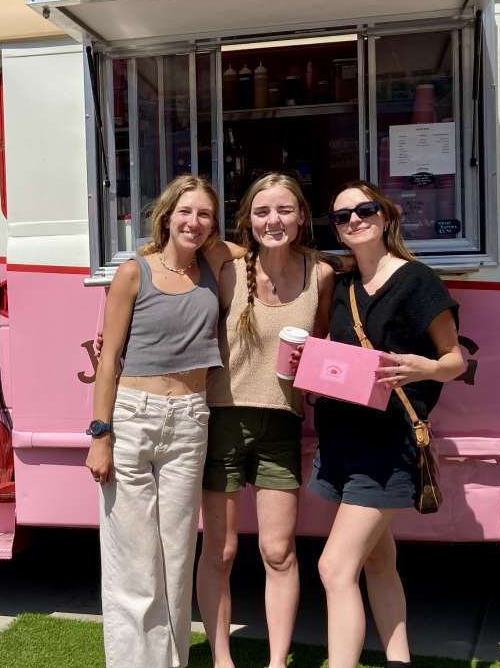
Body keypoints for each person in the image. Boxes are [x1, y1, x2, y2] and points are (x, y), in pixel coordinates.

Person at [311, 180, 465, 668]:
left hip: (389, 445)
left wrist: (426, 367)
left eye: (364, 209)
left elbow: (455, 358)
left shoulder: (418, 281)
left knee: (335, 568)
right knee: (378, 561)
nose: (354, 220)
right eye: (342, 216)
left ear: (386, 214)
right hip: (343, 441)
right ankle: (399, 660)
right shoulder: (343, 286)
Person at [87, 174, 227, 668]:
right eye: (185, 211)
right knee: (134, 563)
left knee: (177, 556)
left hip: (190, 419)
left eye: (205, 214)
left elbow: (264, 248)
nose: (194, 222)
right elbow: (110, 361)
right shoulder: (133, 272)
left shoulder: (213, 267)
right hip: (132, 418)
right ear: (166, 215)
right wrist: (99, 435)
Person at [197, 172, 333, 668]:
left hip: (282, 423)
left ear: (301, 217)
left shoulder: (321, 274)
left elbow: (320, 349)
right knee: (222, 551)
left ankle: (277, 662)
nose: (273, 220)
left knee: (279, 552)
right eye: (261, 211)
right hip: (222, 420)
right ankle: (221, 659)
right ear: (247, 221)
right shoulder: (227, 264)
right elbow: (165, 253)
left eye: (283, 210)